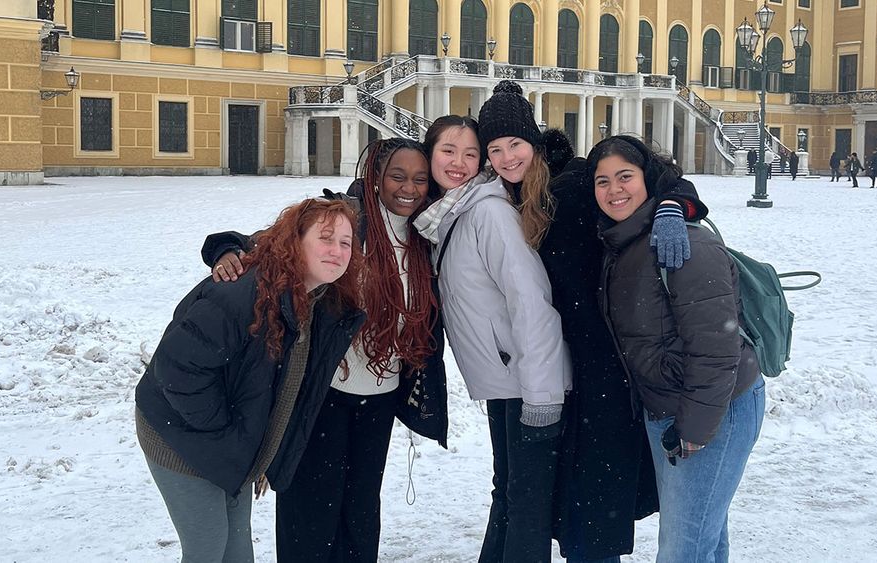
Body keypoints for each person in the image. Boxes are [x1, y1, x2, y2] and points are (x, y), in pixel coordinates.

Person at [474, 80, 708, 563]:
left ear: (535, 143)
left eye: (515, 144)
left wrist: (670, 207)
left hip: (605, 363)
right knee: (562, 501)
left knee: (594, 510)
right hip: (559, 366)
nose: (507, 157)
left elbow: (659, 177)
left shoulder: (580, 181)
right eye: (495, 149)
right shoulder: (503, 198)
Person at [202, 138, 449, 562]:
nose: (409, 187)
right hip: (323, 392)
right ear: (375, 178)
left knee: (360, 509)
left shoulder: (427, 237)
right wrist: (226, 250)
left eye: (420, 179)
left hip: (382, 396)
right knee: (311, 509)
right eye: (397, 176)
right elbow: (268, 241)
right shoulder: (345, 221)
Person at [135, 198, 366, 563]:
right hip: (180, 436)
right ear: (295, 241)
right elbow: (177, 371)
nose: (337, 251)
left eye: (346, 242)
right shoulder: (240, 293)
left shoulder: (313, 295)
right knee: (207, 550)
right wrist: (226, 435)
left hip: (230, 443)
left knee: (238, 551)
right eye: (325, 238)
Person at [591, 135, 764, 563]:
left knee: (682, 549)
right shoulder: (622, 241)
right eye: (602, 181)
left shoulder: (682, 243)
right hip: (671, 409)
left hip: (713, 409)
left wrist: (694, 429)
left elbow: (715, 346)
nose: (614, 190)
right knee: (702, 536)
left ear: (649, 179)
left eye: (625, 177)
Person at [413, 113, 570, 563]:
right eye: (448, 151)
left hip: (530, 382)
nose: (460, 162)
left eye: (470, 153)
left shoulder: (488, 212)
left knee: (526, 506)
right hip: (507, 380)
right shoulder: (450, 214)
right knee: (509, 492)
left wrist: (542, 396)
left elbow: (531, 301)